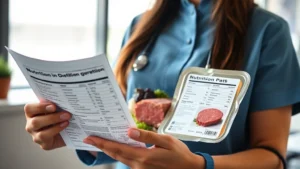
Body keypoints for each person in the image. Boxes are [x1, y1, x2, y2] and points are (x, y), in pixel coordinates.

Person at [24, 0, 300, 169]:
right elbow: (123, 131)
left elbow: (271, 157)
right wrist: (72, 133)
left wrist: (197, 165)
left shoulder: (267, 31)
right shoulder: (140, 27)